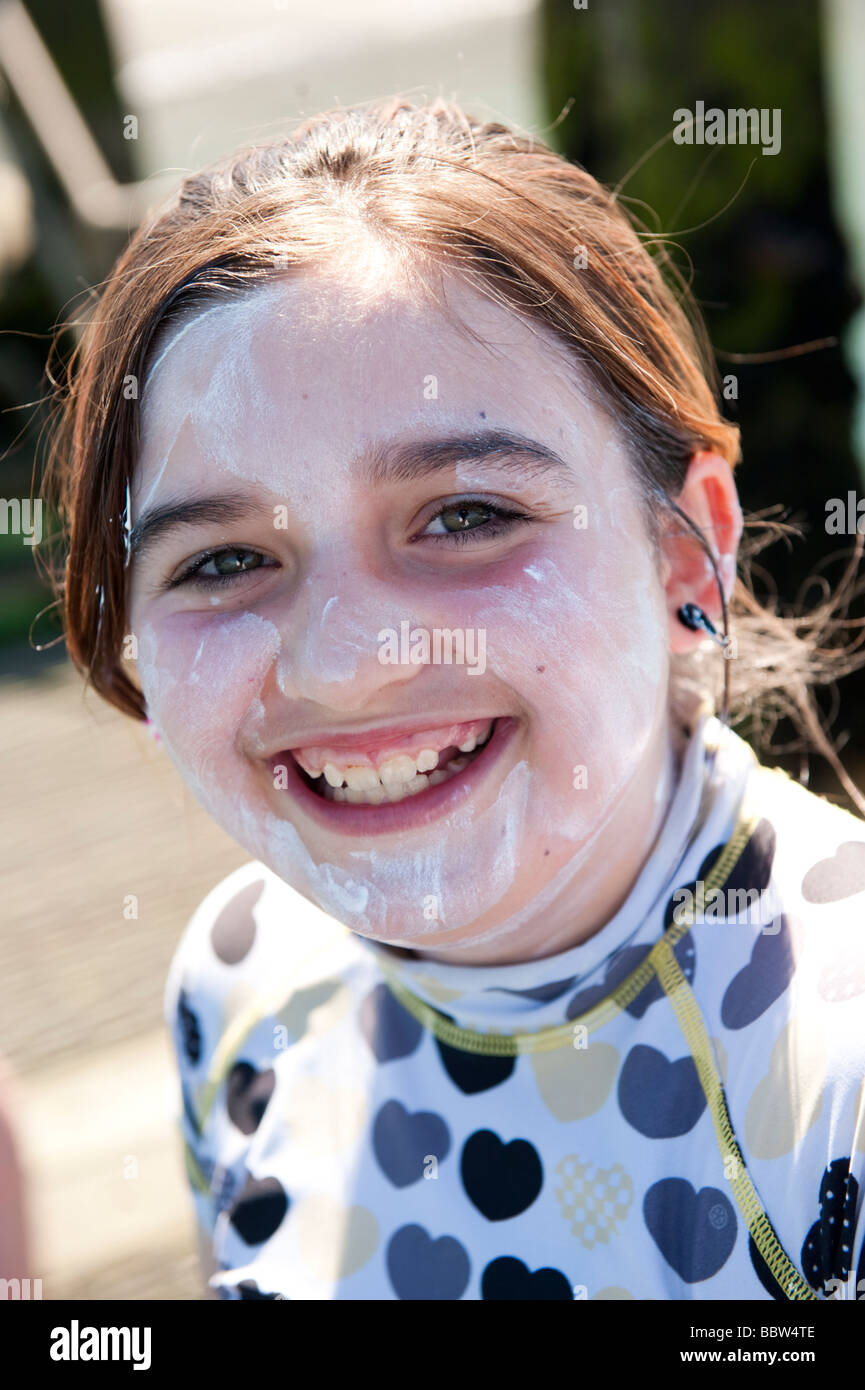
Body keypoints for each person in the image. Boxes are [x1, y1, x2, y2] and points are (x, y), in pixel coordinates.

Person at [45, 97, 865, 1300]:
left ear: (689, 550)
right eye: (220, 560)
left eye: (466, 516)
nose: (344, 662)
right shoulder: (241, 974)